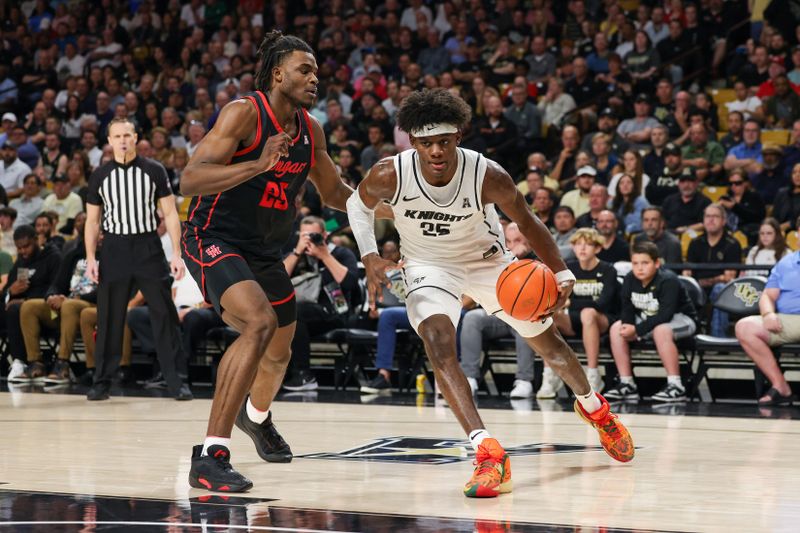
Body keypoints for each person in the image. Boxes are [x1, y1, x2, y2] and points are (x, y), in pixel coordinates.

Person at [347, 88, 634, 499]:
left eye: (444, 141)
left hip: (488, 262)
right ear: (413, 142)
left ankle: (595, 409)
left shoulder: (487, 174)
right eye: (427, 143)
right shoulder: (388, 173)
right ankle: (487, 450)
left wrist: (562, 271)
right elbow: (358, 205)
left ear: (458, 136)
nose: (436, 151)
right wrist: (370, 254)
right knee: (437, 339)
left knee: (548, 344)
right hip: (429, 264)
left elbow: (528, 221)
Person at [179, 31, 378, 492]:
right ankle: (210, 455)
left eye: (316, 71)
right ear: (277, 73)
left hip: (263, 250)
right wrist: (257, 165)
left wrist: (389, 208)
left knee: (279, 351)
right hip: (213, 236)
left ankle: (256, 416)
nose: (314, 78)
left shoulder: (312, 130)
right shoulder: (244, 113)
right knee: (258, 324)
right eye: (304, 70)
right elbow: (190, 180)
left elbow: (333, 194)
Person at [84, 117, 191, 402]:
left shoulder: (154, 170)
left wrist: (177, 254)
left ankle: (177, 381)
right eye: (116, 136)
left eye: (127, 135)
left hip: (147, 246)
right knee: (109, 316)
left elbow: (170, 213)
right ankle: (101, 381)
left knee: (164, 314)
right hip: (114, 248)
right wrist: (91, 257)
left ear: (135, 138)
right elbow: (92, 222)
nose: (122, 140)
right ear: (109, 141)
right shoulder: (100, 175)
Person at [604, 241, 697, 403]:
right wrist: (628, 325)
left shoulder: (668, 280)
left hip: (682, 319)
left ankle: (676, 386)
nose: (640, 268)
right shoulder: (630, 279)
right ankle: (627, 384)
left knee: (661, 330)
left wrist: (638, 331)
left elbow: (665, 315)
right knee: (616, 328)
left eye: (645, 263)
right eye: (635, 263)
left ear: (656, 263)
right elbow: (626, 307)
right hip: (649, 319)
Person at [459, 223, 538, 399]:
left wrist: (518, 262)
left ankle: (524, 380)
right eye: (508, 241)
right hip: (498, 315)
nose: (512, 246)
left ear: (528, 241)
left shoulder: (538, 260)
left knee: (525, 322)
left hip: (525, 314)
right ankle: (469, 377)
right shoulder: (496, 257)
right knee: (472, 318)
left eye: (517, 240)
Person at [282, 216, 360, 390]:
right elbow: (277, 281)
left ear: (325, 234)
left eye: (314, 235)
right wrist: (297, 252)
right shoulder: (296, 254)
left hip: (335, 310)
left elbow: (350, 283)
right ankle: (279, 374)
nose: (310, 239)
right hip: (303, 314)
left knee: (296, 312)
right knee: (283, 313)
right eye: (305, 235)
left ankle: (303, 375)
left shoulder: (341, 253)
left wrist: (324, 256)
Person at [553, 229, 620, 393]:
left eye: (588, 244)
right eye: (578, 244)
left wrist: (571, 302)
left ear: (597, 248)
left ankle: (593, 373)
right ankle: (551, 374)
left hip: (603, 320)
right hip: (576, 321)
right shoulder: (570, 269)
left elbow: (602, 303)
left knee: (588, 313)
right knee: (550, 315)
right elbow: (561, 301)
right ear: (573, 247)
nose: (583, 248)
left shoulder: (608, 270)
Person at [734, 248, 800, 406]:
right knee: (745, 327)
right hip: (788, 321)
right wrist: (769, 313)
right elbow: (768, 295)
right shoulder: (785, 263)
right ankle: (781, 386)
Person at [3, 224, 63, 383]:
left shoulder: (53, 256)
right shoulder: (21, 261)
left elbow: (56, 288)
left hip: (49, 310)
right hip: (20, 311)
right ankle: (16, 362)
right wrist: (11, 291)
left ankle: (20, 361)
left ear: (36, 240)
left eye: (26, 246)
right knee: (11, 306)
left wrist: (26, 300)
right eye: (19, 248)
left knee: (16, 308)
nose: (23, 252)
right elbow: (8, 290)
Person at [684, 204, 743, 337]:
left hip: (724, 289)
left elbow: (729, 276)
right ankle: (688, 338)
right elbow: (687, 272)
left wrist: (704, 282)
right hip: (698, 287)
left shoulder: (732, 244)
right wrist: (695, 283)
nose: (711, 220)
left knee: (720, 288)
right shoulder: (695, 243)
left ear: (724, 221)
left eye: (715, 216)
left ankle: (718, 339)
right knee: (684, 287)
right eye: (708, 216)